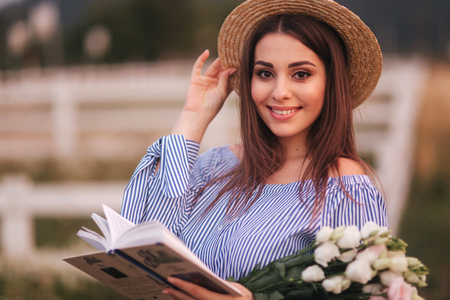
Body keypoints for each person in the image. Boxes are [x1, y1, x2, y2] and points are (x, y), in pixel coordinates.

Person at [120, 0, 388, 299]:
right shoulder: (214, 166)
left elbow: (363, 293)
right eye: (265, 73)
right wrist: (193, 119)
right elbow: (144, 246)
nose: (280, 92)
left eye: (301, 74)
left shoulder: (344, 187)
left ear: (330, 82)